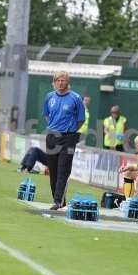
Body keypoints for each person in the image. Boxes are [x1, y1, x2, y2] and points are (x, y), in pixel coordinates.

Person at [43, 71, 85, 210]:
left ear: (68, 82)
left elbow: (81, 119)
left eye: (63, 80)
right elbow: (47, 116)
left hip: (68, 138)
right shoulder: (49, 97)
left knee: (63, 169)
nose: (61, 83)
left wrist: (70, 130)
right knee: (53, 170)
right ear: (54, 82)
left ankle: (57, 201)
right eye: (58, 81)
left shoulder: (76, 98)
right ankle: (60, 199)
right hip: (52, 137)